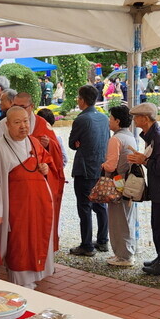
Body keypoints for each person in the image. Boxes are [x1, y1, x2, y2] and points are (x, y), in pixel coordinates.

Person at [0, 106, 56, 288]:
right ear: (7, 125)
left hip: (38, 205)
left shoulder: (33, 142)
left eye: (26, 121)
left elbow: (47, 162)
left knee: (36, 241)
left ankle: (33, 279)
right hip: (15, 209)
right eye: (17, 122)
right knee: (19, 245)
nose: (23, 126)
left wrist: (45, 169)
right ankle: (20, 284)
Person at [127, 102, 160, 275]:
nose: (134, 120)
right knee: (157, 226)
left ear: (145, 118)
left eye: (136, 117)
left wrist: (144, 161)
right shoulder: (152, 135)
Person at [68, 85, 110, 257]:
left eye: (79, 98)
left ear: (83, 100)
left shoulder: (81, 119)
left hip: (85, 168)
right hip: (100, 165)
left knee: (84, 207)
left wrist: (79, 143)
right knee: (100, 204)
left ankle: (87, 245)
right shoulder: (103, 117)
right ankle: (102, 241)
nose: (78, 101)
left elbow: (72, 143)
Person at [99, 105, 139, 268]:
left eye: (111, 118)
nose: (109, 121)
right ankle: (128, 251)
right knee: (127, 217)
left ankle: (123, 256)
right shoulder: (130, 136)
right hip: (128, 182)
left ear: (117, 120)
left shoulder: (115, 139)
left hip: (116, 183)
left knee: (118, 220)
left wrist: (102, 164)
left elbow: (111, 165)